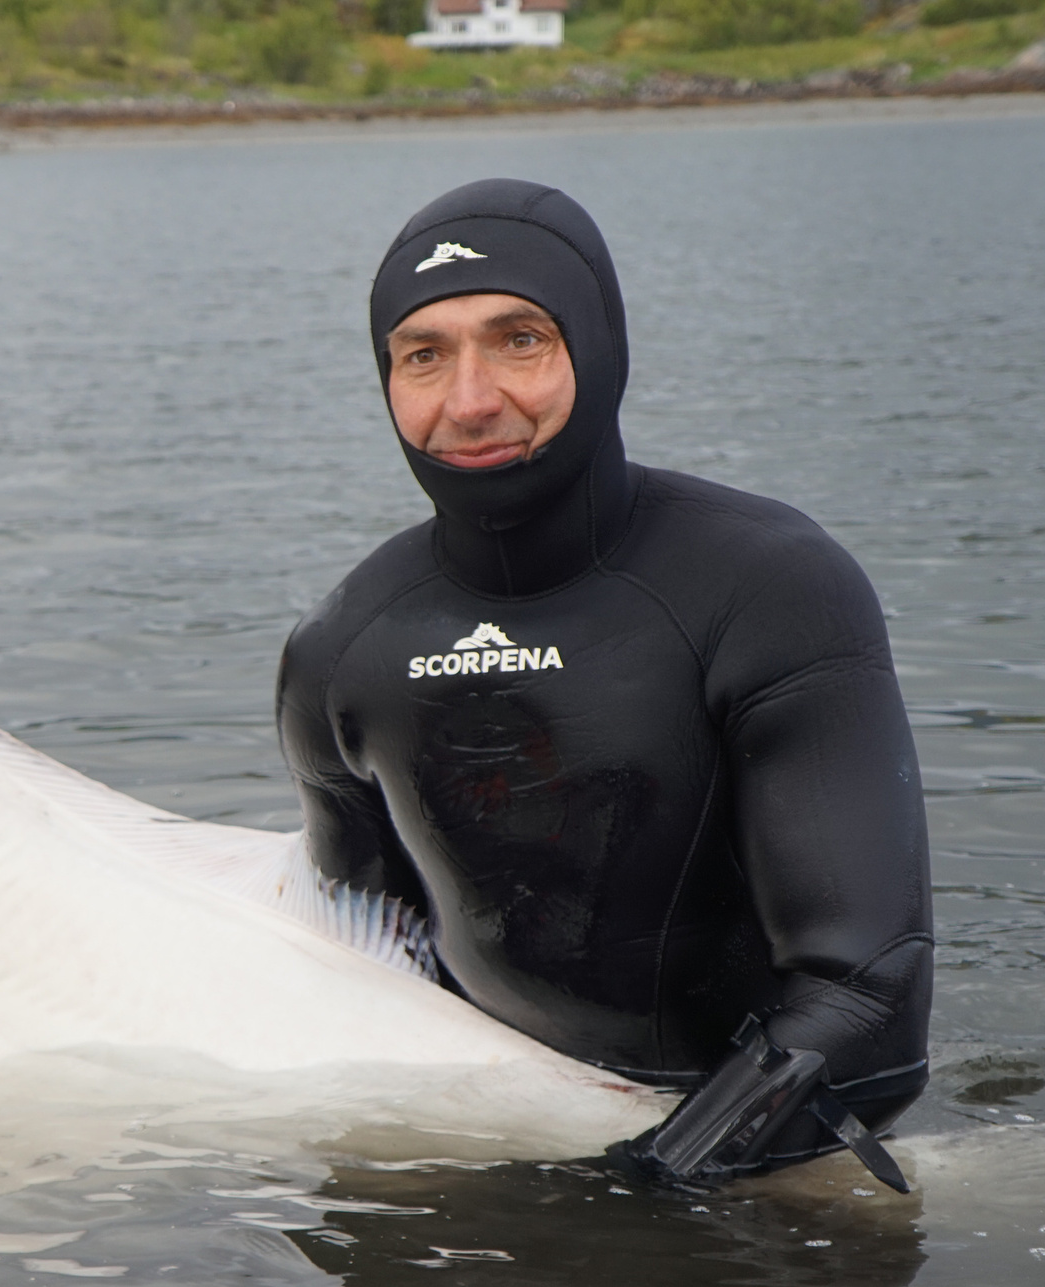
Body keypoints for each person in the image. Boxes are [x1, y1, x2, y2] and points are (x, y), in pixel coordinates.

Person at [277, 179, 932, 1184]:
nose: (470, 399)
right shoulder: (340, 648)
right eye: (423, 355)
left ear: (598, 343)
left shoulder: (763, 585)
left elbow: (867, 994)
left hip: (744, 1156)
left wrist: (651, 1179)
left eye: (518, 340)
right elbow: (357, 972)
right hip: (508, 1139)